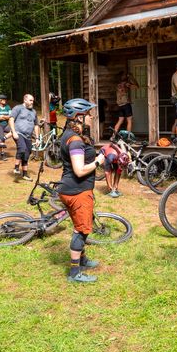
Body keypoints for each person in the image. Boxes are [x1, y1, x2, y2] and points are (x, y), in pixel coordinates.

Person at [58, 98, 108, 283]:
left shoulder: (72, 135)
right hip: (76, 190)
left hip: (73, 189)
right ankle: (74, 273)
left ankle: (83, 259)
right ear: (79, 117)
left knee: (81, 225)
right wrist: (98, 162)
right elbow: (79, 170)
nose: (92, 116)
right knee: (82, 230)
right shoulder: (75, 140)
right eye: (88, 113)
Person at [9, 94, 40, 181]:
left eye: (33, 100)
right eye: (30, 100)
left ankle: (25, 174)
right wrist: (13, 132)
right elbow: (11, 119)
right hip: (19, 133)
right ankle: (16, 168)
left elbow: (36, 125)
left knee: (27, 153)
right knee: (22, 148)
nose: (32, 102)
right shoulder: (18, 108)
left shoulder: (33, 112)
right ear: (25, 100)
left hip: (28, 136)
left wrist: (37, 138)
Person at [113, 71, 139, 136]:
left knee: (120, 120)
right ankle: (128, 137)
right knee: (129, 120)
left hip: (120, 105)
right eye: (125, 75)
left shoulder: (117, 85)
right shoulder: (126, 84)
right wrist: (132, 77)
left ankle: (113, 136)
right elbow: (137, 86)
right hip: (126, 104)